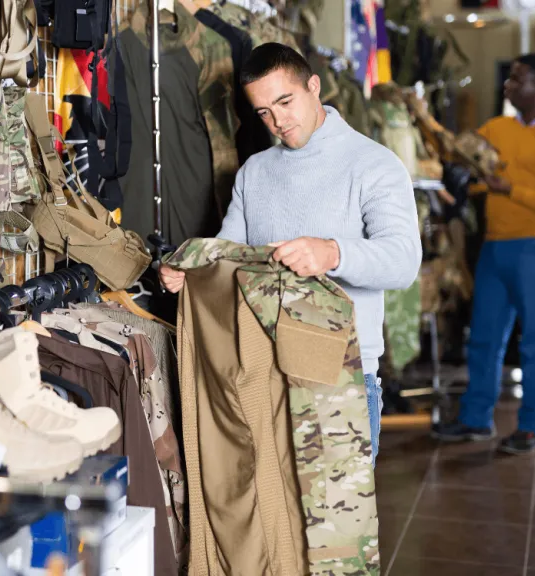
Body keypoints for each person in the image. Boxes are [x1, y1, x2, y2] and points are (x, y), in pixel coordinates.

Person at [159, 42, 422, 464]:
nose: (278, 121)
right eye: (264, 112)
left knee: (334, 528)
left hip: (340, 377)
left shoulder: (375, 165)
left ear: (314, 86)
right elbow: (230, 256)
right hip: (259, 373)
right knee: (267, 527)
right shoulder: (255, 172)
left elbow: (404, 261)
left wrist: (333, 253)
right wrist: (191, 272)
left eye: (286, 101)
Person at [433, 53, 535, 454]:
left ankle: (534, 426)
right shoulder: (496, 127)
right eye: (510, 78)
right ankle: (475, 419)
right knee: (483, 337)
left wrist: (510, 190)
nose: (509, 85)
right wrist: (468, 179)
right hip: (495, 245)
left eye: (519, 79)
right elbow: (479, 177)